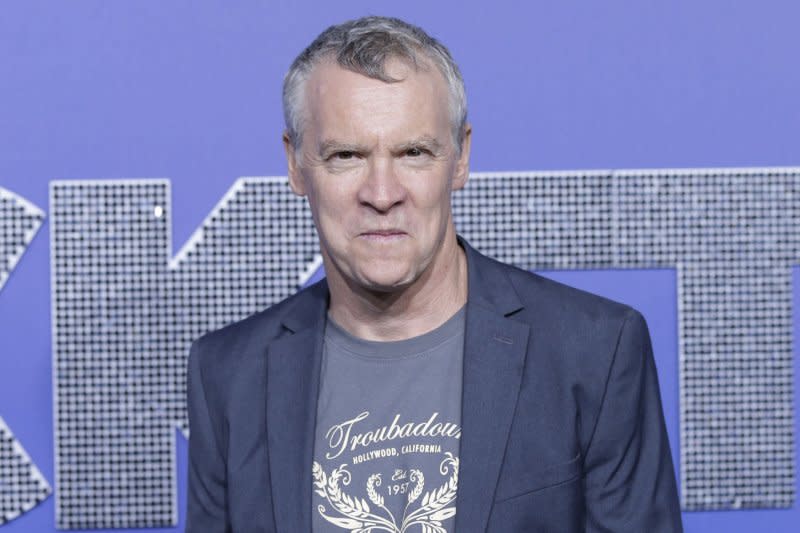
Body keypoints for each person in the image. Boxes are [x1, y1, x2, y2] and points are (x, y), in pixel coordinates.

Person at [186, 16, 683, 532]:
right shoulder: (228, 375)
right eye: (347, 155)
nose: (382, 194)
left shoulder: (594, 352)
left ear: (461, 158)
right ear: (295, 165)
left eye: (413, 153)